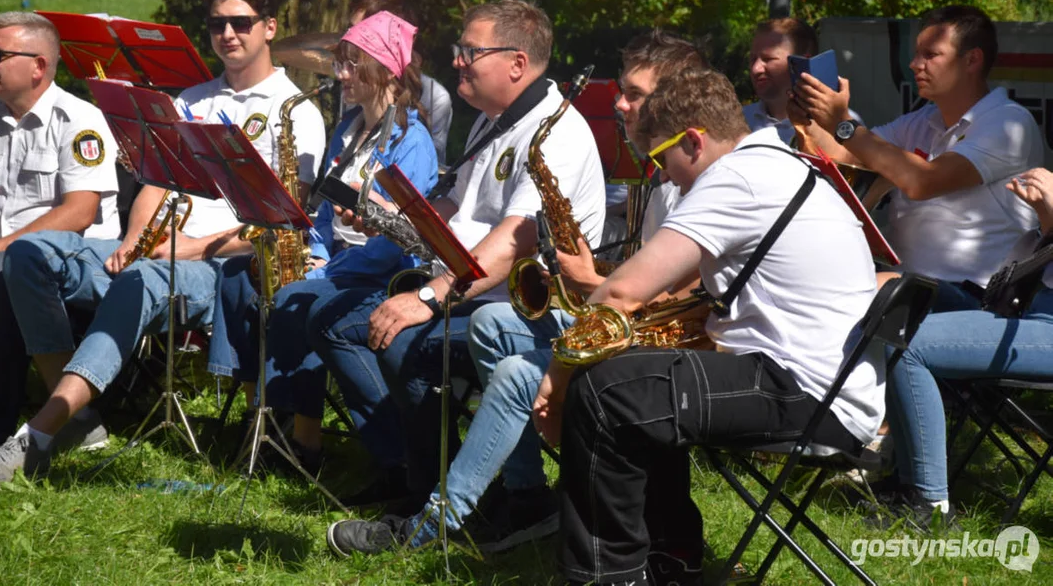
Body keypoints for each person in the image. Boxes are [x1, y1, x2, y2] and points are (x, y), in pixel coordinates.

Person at [325, 30, 706, 557]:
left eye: (633, 94)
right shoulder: (654, 175)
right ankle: (517, 497)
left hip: (645, 342)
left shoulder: (693, 179)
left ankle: (439, 516)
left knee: (473, 357)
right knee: (474, 327)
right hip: (557, 309)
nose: (616, 103)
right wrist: (386, 221)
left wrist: (589, 281)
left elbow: (673, 300)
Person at [0, 0, 326, 483]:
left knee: (141, 280)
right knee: (28, 256)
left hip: (221, 267)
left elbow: (279, 224)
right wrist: (137, 240)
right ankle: (81, 417)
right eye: (216, 24)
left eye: (241, 23)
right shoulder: (191, 99)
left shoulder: (296, 112)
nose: (227, 34)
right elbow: (156, 185)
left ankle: (42, 431)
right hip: (156, 249)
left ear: (269, 27)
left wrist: (189, 249)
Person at [537, 68, 883, 586]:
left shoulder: (736, 179)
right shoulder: (776, 165)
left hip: (810, 397)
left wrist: (556, 382)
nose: (665, 176)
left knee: (607, 392)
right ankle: (671, 558)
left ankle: (606, 577)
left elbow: (622, 292)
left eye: (661, 159)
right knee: (630, 381)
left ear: (693, 141)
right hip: (824, 388)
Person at [306, 0, 606, 512]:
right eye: (459, 49)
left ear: (516, 63)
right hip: (470, 284)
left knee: (407, 341)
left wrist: (428, 296)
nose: (458, 60)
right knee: (331, 322)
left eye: (471, 51)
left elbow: (516, 240)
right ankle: (406, 465)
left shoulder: (554, 133)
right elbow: (454, 205)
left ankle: (441, 492)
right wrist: (385, 213)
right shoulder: (494, 118)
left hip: (522, 305)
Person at [207, 10, 438, 473]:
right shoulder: (350, 128)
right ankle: (260, 415)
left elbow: (399, 240)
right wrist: (315, 252)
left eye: (352, 65)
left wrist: (327, 270)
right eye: (341, 64)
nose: (341, 75)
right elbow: (329, 211)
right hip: (338, 262)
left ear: (384, 68)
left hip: (382, 272)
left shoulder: (413, 141)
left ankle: (303, 441)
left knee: (296, 297)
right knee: (240, 276)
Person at [793, 5, 1043, 310]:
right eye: (916, 53)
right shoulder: (921, 120)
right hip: (908, 286)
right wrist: (811, 120)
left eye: (930, 54)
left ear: (972, 60)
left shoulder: (1008, 123)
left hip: (978, 297)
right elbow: (846, 157)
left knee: (855, 293)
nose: (914, 64)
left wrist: (843, 126)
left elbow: (924, 181)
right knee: (807, 279)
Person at [871, 167, 1053, 529]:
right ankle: (904, 482)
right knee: (902, 301)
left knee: (911, 346)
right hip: (1022, 310)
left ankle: (929, 504)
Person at [0, 11, 121, 452]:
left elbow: (79, 213)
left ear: (38, 66)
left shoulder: (80, 120)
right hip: (1, 255)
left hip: (70, 262)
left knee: (2, 268)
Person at [343, 0, 453, 165]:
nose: (349, 36)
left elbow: (425, 166)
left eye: (363, 30)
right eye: (350, 28)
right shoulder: (348, 121)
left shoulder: (434, 99)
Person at [744, 17, 860, 145]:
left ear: (802, 61)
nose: (756, 69)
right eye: (753, 59)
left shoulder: (843, 126)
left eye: (768, 59)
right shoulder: (737, 122)